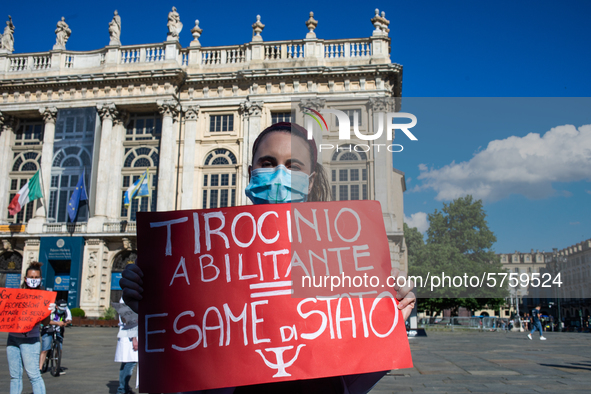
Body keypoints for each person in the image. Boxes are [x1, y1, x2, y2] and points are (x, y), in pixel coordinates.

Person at [121, 122, 416, 393]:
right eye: (268, 163)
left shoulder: (342, 255)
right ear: (251, 173)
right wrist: (151, 306)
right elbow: (189, 367)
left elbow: (352, 376)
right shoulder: (211, 256)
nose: (280, 173)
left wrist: (390, 323)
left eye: (293, 165)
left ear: (310, 182)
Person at [6, 261, 47, 394]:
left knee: (34, 376)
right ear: (25, 279)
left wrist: (48, 311)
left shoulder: (44, 297)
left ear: (40, 279)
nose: (33, 280)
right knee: (15, 376)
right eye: (31, 277)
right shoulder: (17, 295)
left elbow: (46, 322)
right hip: (12, 338)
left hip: (30, 339)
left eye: (36, 278)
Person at [39, 299, 71, 373]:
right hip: (48, 329)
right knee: (45, 349)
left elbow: (69, 319)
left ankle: (57, 366)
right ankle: (40, 368)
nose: (62, 311)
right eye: (60, 309)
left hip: (59, 330)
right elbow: (45, 322)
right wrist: (57, 323)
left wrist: (66, 322)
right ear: (56, 306)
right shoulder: (50, 309)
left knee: (59, 349)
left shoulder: (66, 309)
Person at [114, 297, 138, 394]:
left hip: (129, 334)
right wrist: (134, 338)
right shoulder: (126, 299)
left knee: (126, 363)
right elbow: (128, 319)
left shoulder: (125, 298)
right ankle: (122, 389)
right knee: (130, 363)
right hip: (130, 335)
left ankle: (124, 388)